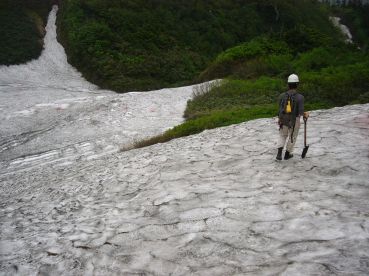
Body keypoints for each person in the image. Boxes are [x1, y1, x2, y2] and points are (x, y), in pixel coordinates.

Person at [276, 74, 307, 160]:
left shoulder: (282, 96)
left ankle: (279, 154)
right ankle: (287, 154)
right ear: (297, 84)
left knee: (282, 135)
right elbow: (300, 112)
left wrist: (279, 119)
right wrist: (305, 114)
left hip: (283, 119)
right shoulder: (300, 97)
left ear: (288, 84)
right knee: (292, 136)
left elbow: (280, 109)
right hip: (294, 120)